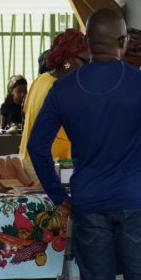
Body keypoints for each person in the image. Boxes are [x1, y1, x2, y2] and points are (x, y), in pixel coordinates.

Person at [28, 8, 141, 280]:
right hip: (136, 202)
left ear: (88, 43)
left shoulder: (63, 88)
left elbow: (37, 146)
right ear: (122, 42)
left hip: (88, 204)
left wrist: (58, 196)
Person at [18, 29, 89, 178]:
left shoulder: (40, 80)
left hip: (27, 166)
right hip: (52, 170)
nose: (88, 67)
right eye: (85, 61)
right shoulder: (63, 90)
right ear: (69, 60)